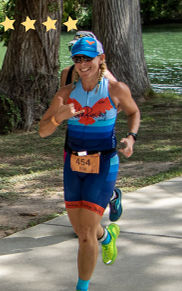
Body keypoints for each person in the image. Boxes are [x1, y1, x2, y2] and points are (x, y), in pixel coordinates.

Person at [39, 36, 140, 291]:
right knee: (82, 228)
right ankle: (107, 236)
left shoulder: (116, 89)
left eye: (88, 58)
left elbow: (133, 112)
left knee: (84, 233)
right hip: (73, 164)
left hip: (104, 163)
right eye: (77, 59)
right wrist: (59, 117)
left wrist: (131, 137)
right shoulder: (64, 94)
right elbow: (42, 131)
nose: (83, 64)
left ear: (100, 59)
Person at [61, 32, 123, 223]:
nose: (80, 59)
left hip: (98, 138)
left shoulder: (101, 73)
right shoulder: (66, 72)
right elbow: (64, 99)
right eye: (73, 51)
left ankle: (111, 196)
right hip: (74, 135)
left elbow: (116, 101)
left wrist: (99, 117)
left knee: (95, 175)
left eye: (85, 55)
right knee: (76, 172)